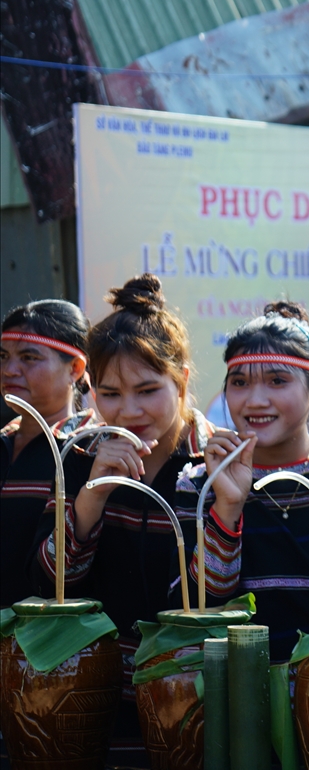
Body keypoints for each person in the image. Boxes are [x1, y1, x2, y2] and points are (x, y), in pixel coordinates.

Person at [34, 276, 210, 701]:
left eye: (148, 390)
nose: (128, 411)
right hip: (90, 692)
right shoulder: (75, 454)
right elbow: (49, 584)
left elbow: (218, 595)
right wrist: (92, 496)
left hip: (190, 694)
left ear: (182, 382)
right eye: (110, 394)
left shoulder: (212, 465)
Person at [181, 301, 309, 659]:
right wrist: (228, 508)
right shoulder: (199, 483)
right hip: (243, 694)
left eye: (277, 381)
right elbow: (203, 607)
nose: (256, 401)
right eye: (239, 382)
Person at [1, 299, 93, 608]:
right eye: (3, 357)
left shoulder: (88, 449)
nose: (9, 370)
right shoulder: (3, 441)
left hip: (51, 647)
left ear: (75, 368)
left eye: (28, 357)